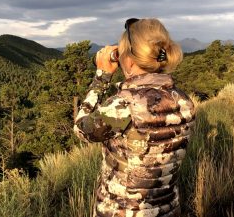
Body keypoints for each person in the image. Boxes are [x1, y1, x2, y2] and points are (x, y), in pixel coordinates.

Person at [74, 18, 195, 217]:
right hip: (169, 210)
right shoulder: (184, 101)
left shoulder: (123, 106)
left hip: (122, 211)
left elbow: (81, 129)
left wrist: (101, 77)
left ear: (129, 60)